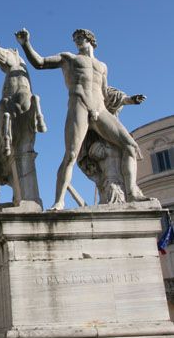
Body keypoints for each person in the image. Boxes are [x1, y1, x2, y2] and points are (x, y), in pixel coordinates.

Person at [15, 27, 148, 210]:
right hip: (79, 105)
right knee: (70, 155)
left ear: (90, 40)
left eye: (80, 37)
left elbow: (105, 93)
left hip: (100, 109)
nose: (77, 40)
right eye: (75, 38)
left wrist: (128, 100)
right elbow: (40, 63)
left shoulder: (102, 66)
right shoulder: (69, 58)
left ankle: (132, 192)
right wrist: (26, 44)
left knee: (130, 146)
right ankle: (59, 201)